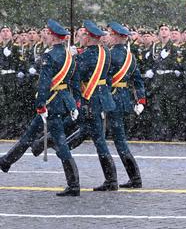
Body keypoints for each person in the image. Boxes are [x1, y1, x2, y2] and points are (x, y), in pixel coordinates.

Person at [0, 19, 80, 196]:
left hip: (51, 102)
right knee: (30, 133)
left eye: (49, 34)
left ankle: (74, 184)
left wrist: (41, 105)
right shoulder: (69, 56)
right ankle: (6, 161)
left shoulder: (50, 55)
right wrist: (74, 103)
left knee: (60, 142)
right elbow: (74, 81)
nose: (47, 36)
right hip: (63, 101)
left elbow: (44, 83)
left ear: (53, 36)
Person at [68, 20, 120, 191]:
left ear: (89, 38)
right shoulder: (103, 51)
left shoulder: (88, 55)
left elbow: (75, 73)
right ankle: (52, 144)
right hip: (100, 97)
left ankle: (111, 180)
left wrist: (71, 56)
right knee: (92, 134)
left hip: (92, 100)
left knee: (99, 140)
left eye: (83, 35)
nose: (81, 38)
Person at [106, 22, 147, 188]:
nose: (108, 36)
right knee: (119, 139)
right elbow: (137, 80)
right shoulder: (130, 57)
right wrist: (141, 100)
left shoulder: (109, 56)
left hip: (111, 99)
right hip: (124, 99)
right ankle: (132, 178)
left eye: (110, 34)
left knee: (117, 141)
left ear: (116, 37)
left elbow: (104, 79)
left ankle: (130, 178)